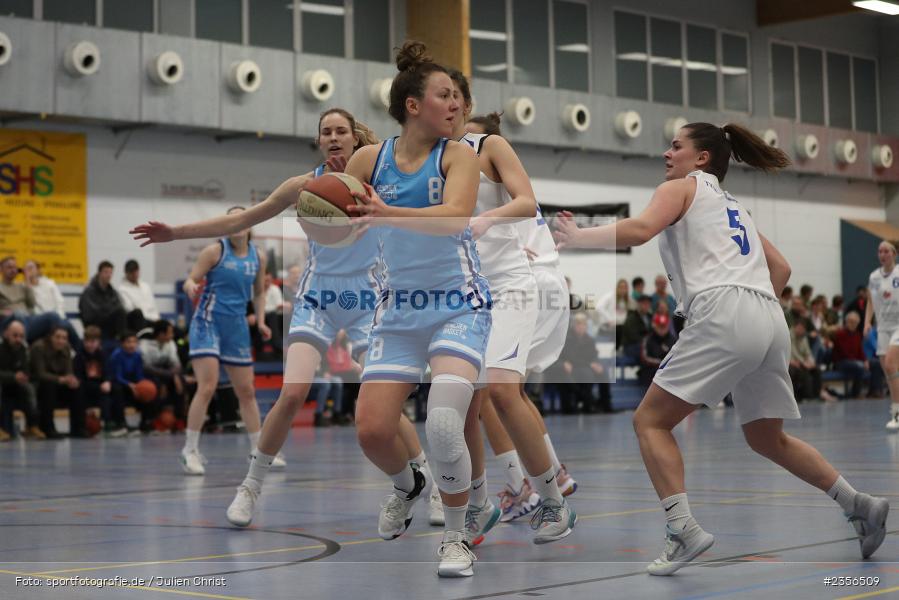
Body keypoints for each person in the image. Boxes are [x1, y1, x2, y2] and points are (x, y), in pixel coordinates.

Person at [555, 121, 888, 575]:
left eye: (676, 146)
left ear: (702, 158)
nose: (667, 155)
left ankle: (682, 529)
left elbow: (640, 229)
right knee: (766, 437)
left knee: (650, 422)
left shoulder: (681, 188)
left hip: (724, 311)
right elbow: (783, 269)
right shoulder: (735, 207)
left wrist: (577, 238)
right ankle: (860, 504)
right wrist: (750, 313)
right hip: (769, 317)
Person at [130, 109, 430, 524]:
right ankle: (250, 487)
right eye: (326, 132)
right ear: (318, 141)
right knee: (292, 393)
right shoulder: (304, 186)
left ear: (355, 138)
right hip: (317, 298)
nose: (334, 137)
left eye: (341, 130)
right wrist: (175, 233)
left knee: (381, 400)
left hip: (366, 299)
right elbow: (241, 219)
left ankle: (424, 480)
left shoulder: (379, 182)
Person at [445, 73, 574, 549]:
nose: (448, 105)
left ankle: (552, 497)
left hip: (511, 285)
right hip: (460, 293)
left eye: (454, 96)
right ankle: (481, 503)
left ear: (464, 103)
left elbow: (526, 202)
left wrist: (485, 219)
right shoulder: (424, 161)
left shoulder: (488, 145)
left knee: (502, 390)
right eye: (439, 97)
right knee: (460, 405)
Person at [1, 256, 79, 346]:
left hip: (27, 319)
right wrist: (2, 311)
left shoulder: (21, 286)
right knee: (18, 313)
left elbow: (31, 304)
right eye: (9, 267)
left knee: (53, 316)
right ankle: (23, 348)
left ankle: (81, 353)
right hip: (8, 321)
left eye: (15, 267)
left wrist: (27, 280)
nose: (13, 270)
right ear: (1, 269)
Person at [864, 241, 899, 429]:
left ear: (894, 254)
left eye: (886, 251)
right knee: (889, 372)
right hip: (883, 327)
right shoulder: (874, 277)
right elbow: (871, 301)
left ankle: (897, 413)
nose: (882, 254)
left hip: (898, 325)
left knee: (891, 364)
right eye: (879, 251)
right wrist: (867, 322)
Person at [31, 325, 88, 438]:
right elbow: (40, 374)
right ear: (50, 337)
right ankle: (48, 428)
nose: (61, 341)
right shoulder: (38, 347)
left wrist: (71, 379)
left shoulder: (66, 347)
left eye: (64, 338)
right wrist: (60, 379)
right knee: (48, 386)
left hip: (59, 383)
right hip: (39, 384)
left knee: (77, 387)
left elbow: (68, 370)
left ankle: (79, 428)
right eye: (58, 337)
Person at [75, 325, 126, 437]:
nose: (89, 344)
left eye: (93, 341)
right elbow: (79, 377)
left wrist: (107, 381)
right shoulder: (79, 356)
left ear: (98, 342)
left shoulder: (103, 355)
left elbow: (108, 371)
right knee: (86, 391)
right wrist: (99, 386)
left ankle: (120, 422)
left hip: (101, 384)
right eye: (87, 341)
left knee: (116, 389)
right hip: (87, 385)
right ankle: (93, 424)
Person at [108, 331, 157, 434]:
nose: (131, 345)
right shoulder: (116, 355)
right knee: (118, 390)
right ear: (122, 344)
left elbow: (139, 375)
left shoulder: (137, 355)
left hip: (133, 383)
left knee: (148, 388)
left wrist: (141, 384)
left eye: (134, 342)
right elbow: (117, 376)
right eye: (128, 342)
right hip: (119, 382)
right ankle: (121, 424)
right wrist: (130, 385)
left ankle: (146, 422)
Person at [0, 321, 43, 439]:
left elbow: (26, 369)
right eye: (15, 335)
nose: (18, 339)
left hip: (16, 387)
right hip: (4, 387)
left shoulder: (23, 349)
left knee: (31, 387)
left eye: (21, 336)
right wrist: (13, 376)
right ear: (6, 334)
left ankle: (32, 425)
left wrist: (24, 376)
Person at [140, 319, 186, 423]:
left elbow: (176, 364)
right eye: (170, 333)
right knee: (154, 386)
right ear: (161, 334)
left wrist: (175, 376)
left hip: (167, 373)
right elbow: (146, 367)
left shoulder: (170, 343)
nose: (172, 335)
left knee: (181, 382)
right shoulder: (144, 345)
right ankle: (152, 420)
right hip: (149, 374)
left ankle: (179, 418)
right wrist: (167, 377)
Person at [78, 261, 126, 348]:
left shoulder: (112, 292)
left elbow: (119, 306)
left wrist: (109, 310)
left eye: (110, 272)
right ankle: (122, 341)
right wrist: (109, 309)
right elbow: (90, 315)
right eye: (106, 272)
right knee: (119, 311)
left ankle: (126, 340)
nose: (109, 275)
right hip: (95, 325)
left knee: (131, 313)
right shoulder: (89, 292)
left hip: (110, 325)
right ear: (99, 273)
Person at [831, 311, 867, 399]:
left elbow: (860, 350)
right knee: (859, 366)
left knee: (872, 364)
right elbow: (843, 352)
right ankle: (856, 393)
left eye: (855, 322)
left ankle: (874, 391)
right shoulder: (840, 334)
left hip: (853, 362)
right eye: (850, 322)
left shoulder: (857, 335)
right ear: (846, 322)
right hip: (841, 362)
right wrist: (858, 361)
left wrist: (865, 360)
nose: (852, 324)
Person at [118, 259, 160, 331]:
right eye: (131, 272)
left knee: (172, 329)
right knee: (137, 313)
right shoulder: (122, 290)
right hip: (138, 321)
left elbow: (153, 306)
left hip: (153, 319)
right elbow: (129, 309)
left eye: (136, 271)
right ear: (126, 273)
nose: (134, 274)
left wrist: (157, 319)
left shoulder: (145, 286)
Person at [640, 313, 676, 389]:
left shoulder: (673, 340)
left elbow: (677, 357)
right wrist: (662, 363)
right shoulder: (647, 339)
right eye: (660, 326)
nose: (662, 329)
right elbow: (644, 358)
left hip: (669, 371)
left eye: (664, 326)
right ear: (655, 326)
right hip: (651, 372)